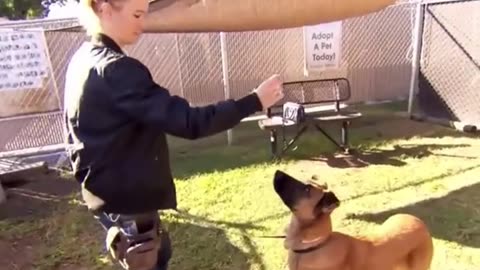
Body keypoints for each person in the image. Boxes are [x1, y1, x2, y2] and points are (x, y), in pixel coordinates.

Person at [63, 0, 285, 269]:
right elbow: (190, 122)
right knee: (151, 260)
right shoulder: (117, 69)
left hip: (106, 200)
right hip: (130, 205)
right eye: (136, 14)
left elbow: (73, 136)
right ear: (104, 8)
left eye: (144, 14)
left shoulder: (82, 59)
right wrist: (254, 101)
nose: (142, 24)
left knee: (156, 254)